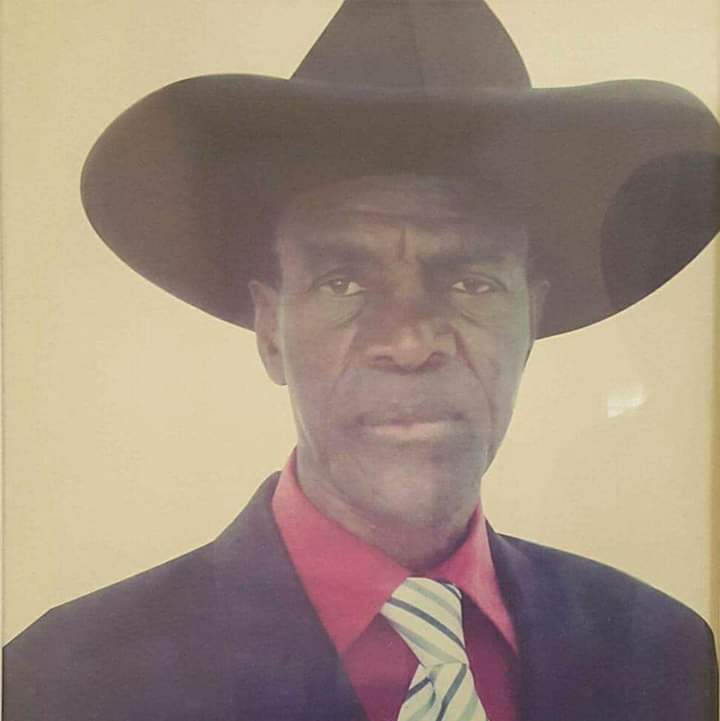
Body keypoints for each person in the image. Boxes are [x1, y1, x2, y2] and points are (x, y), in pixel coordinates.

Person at [4, 1, 719, 719]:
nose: (409, 343)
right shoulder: (69, 687)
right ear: (271, 332)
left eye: (471, 282)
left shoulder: (663, 658)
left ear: (529, 322)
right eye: (342, 283)